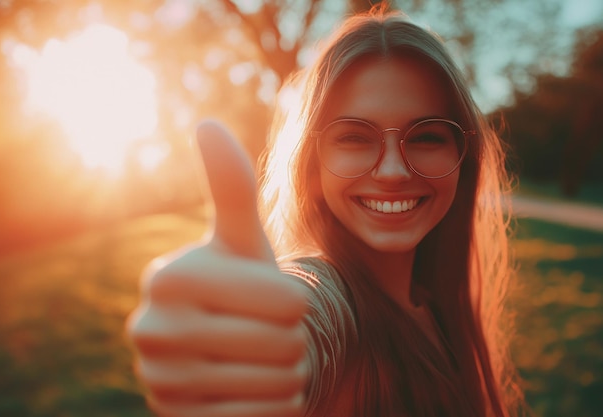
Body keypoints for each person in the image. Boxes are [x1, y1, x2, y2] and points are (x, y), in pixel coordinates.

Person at [127, 3, 525, 417]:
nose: (392, 171)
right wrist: (241, 350)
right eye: (354, 137)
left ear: (465, 154)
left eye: (425, 137)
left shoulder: (435, 304)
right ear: (312, 159)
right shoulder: (327, 302)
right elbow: (309, 318)